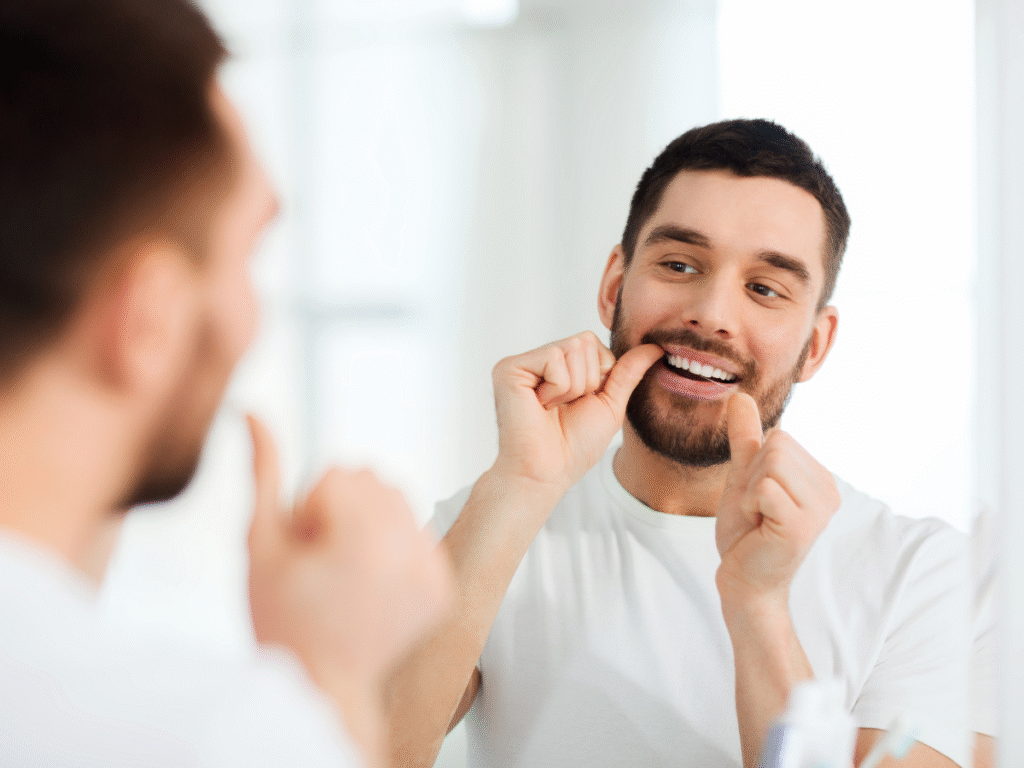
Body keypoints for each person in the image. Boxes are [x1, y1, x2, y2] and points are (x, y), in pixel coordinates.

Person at [386, 120, 972, 767]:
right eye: (679, 264)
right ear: (615, 284)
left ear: (817, 343)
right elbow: (369, 750)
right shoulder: (484, 527)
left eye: (765, 289)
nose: (713, 313)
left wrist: (761, 608)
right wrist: (520, 488)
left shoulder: (927, 576)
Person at [0, 1, 451, 767]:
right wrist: (332, 685)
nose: (250, 318)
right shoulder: (199, 738)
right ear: (148, 319)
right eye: (246, 254)